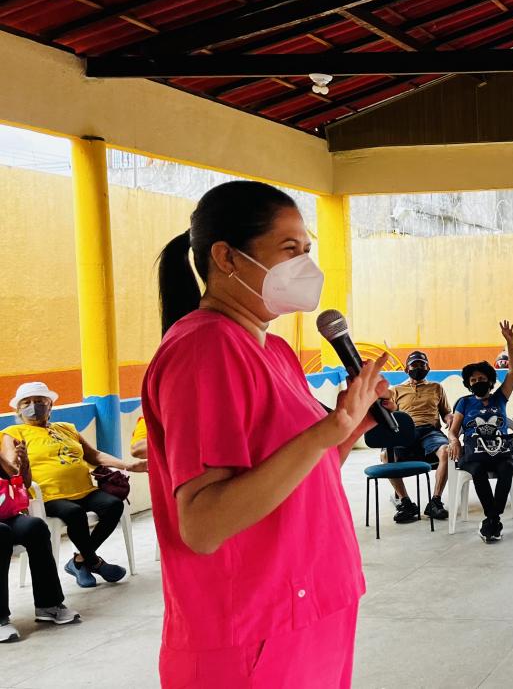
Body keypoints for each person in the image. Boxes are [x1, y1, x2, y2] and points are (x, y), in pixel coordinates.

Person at [143, 180, 390, 686]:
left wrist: (350, 426)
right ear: (227, 258)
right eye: (289, 249)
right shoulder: (205, 349)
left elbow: (301, 474)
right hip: (252, 625)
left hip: (313, 602)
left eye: (307, 250)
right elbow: (204, 524)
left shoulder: (274, 351)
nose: (305, 265)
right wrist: (326, 431)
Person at [2, 382, 145, 588]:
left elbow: (94, 456)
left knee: (114, 505)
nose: (33, 406)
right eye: (27, 402)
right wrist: (20, 461)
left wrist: (127, 465)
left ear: (50, 406)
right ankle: (95, 562)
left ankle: (79, 561)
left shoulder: (67, 428)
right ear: (18, 409)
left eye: (39, 401)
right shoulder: (13, 433)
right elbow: (11, 469)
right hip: (49, 495)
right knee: (75, 513)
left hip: (84, 490)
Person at [1, 409, 80, 642]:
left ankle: (48, 605)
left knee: (34, 527)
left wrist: (23, 463)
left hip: (4, 513)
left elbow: (18, 481)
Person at [447, 322, 513, 543]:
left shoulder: (500, 397)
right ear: (468, 385)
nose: (478, 382)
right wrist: (454, 441)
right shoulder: (464, 402)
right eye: (473, 380)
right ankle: (494, 520)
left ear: (490, 380)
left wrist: (510, 342)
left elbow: (512, 372)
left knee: (507, 468)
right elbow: (453, 431)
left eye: (481, 379)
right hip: (474, 454)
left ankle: (491, 520)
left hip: (500, 451)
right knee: (477, 471)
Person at [384, 351, 452, 522]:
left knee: (446, 451)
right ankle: (406, 503)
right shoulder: (396, 390)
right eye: (414, 365)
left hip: (431, 431)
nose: (418, 368)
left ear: (428, 368)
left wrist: (450, 419)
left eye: (422, 365)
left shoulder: (437, 387)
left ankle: (435, 502)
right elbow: (391, 415)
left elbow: (445, 412)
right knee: (386, 455)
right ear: (406, 369)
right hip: (406, 432)